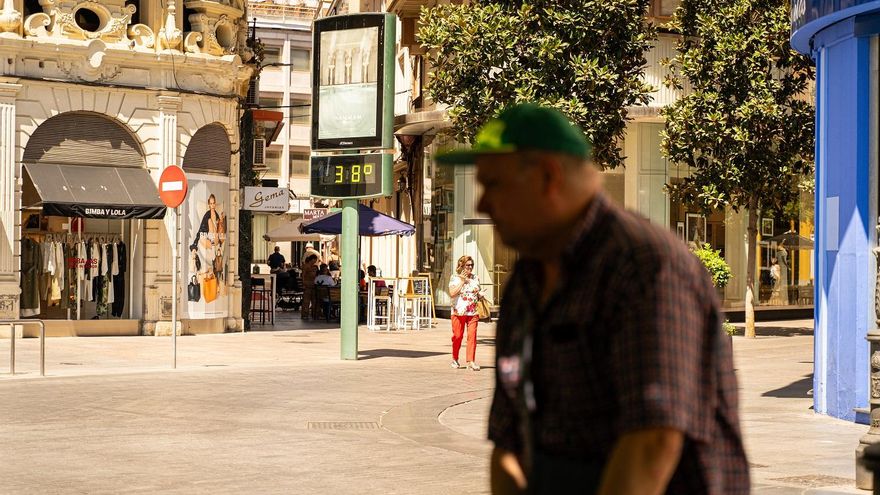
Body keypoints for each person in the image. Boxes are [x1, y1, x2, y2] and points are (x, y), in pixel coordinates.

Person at [435, 103, 749, 494]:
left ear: (548, 177)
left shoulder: (644, 266)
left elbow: (652, 442)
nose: (482, 204)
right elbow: (509, 439)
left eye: (495, 185)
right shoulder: (525, 283)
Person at [447, 255, 482, 371]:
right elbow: (452, 293)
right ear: (462, 265)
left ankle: (471, 361)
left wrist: (480, 295)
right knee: (458, 336)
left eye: (471, 265)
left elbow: (476, 292)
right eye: (467, 265)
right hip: (458, 311)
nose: (470, 267)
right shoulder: (455, 278)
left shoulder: (475, 278)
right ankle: (455, 358)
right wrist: (462, 281)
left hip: (473, 311)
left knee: (472, 336)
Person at [300, 254, 319, 320]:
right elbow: (303, 275)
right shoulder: (306, 266)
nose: (315, 261)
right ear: (312, 259)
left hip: (313, 285)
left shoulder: (314, 267)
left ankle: (314, 313)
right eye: (315, 260)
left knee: (314, 300)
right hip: (307, 285)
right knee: (306, 301)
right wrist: (303, 283)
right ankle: (305, 314)